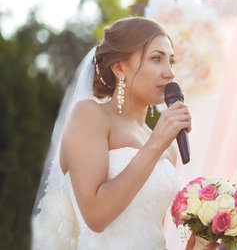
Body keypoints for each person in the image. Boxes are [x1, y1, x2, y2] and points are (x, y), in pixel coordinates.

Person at [31, 17, 213, 249]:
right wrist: (155, 143)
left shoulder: (168, 148)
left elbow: (151, 233)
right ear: (119, 68)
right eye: (156, 59)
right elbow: (95, 216)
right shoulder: (90, 115)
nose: (169, 73)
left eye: (171, 61)